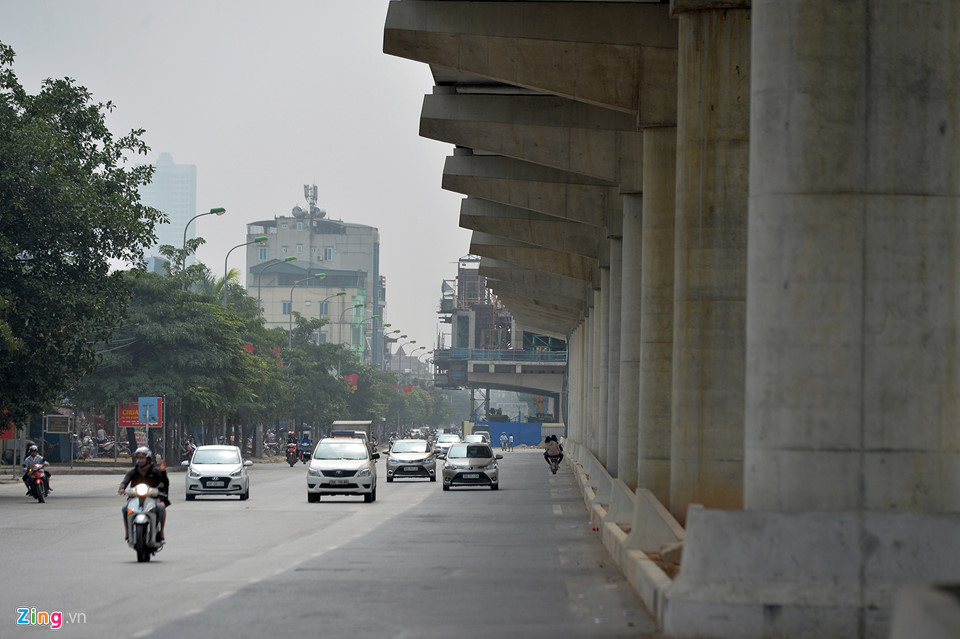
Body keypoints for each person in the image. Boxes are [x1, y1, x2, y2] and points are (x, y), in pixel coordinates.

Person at [118, 447, 170, 542]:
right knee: (126, 510)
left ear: (148, 459)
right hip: (135, 498)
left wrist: (163, 472)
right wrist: (122, 488)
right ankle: (128, 531)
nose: (139, 460)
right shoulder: (133, 472)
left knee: (160, 508)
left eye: (142, 457)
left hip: (153, 497)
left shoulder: (155, 471)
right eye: (137, 458)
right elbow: (125, 481)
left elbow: (164, 483)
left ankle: (161, 531)